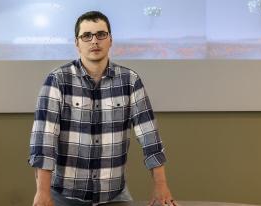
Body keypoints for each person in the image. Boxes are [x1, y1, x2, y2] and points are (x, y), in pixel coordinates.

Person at [29, 11, 176, 206]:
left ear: (110, 40)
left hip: (115, 196)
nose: (94, 41)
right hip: (63, 197)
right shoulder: (57, 80)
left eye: (101, 34)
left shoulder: (130, 81)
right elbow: (44, 139)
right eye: (86, 36)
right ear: (77, 43)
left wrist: (161, 185)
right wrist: (42, 192)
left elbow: (149, 136)